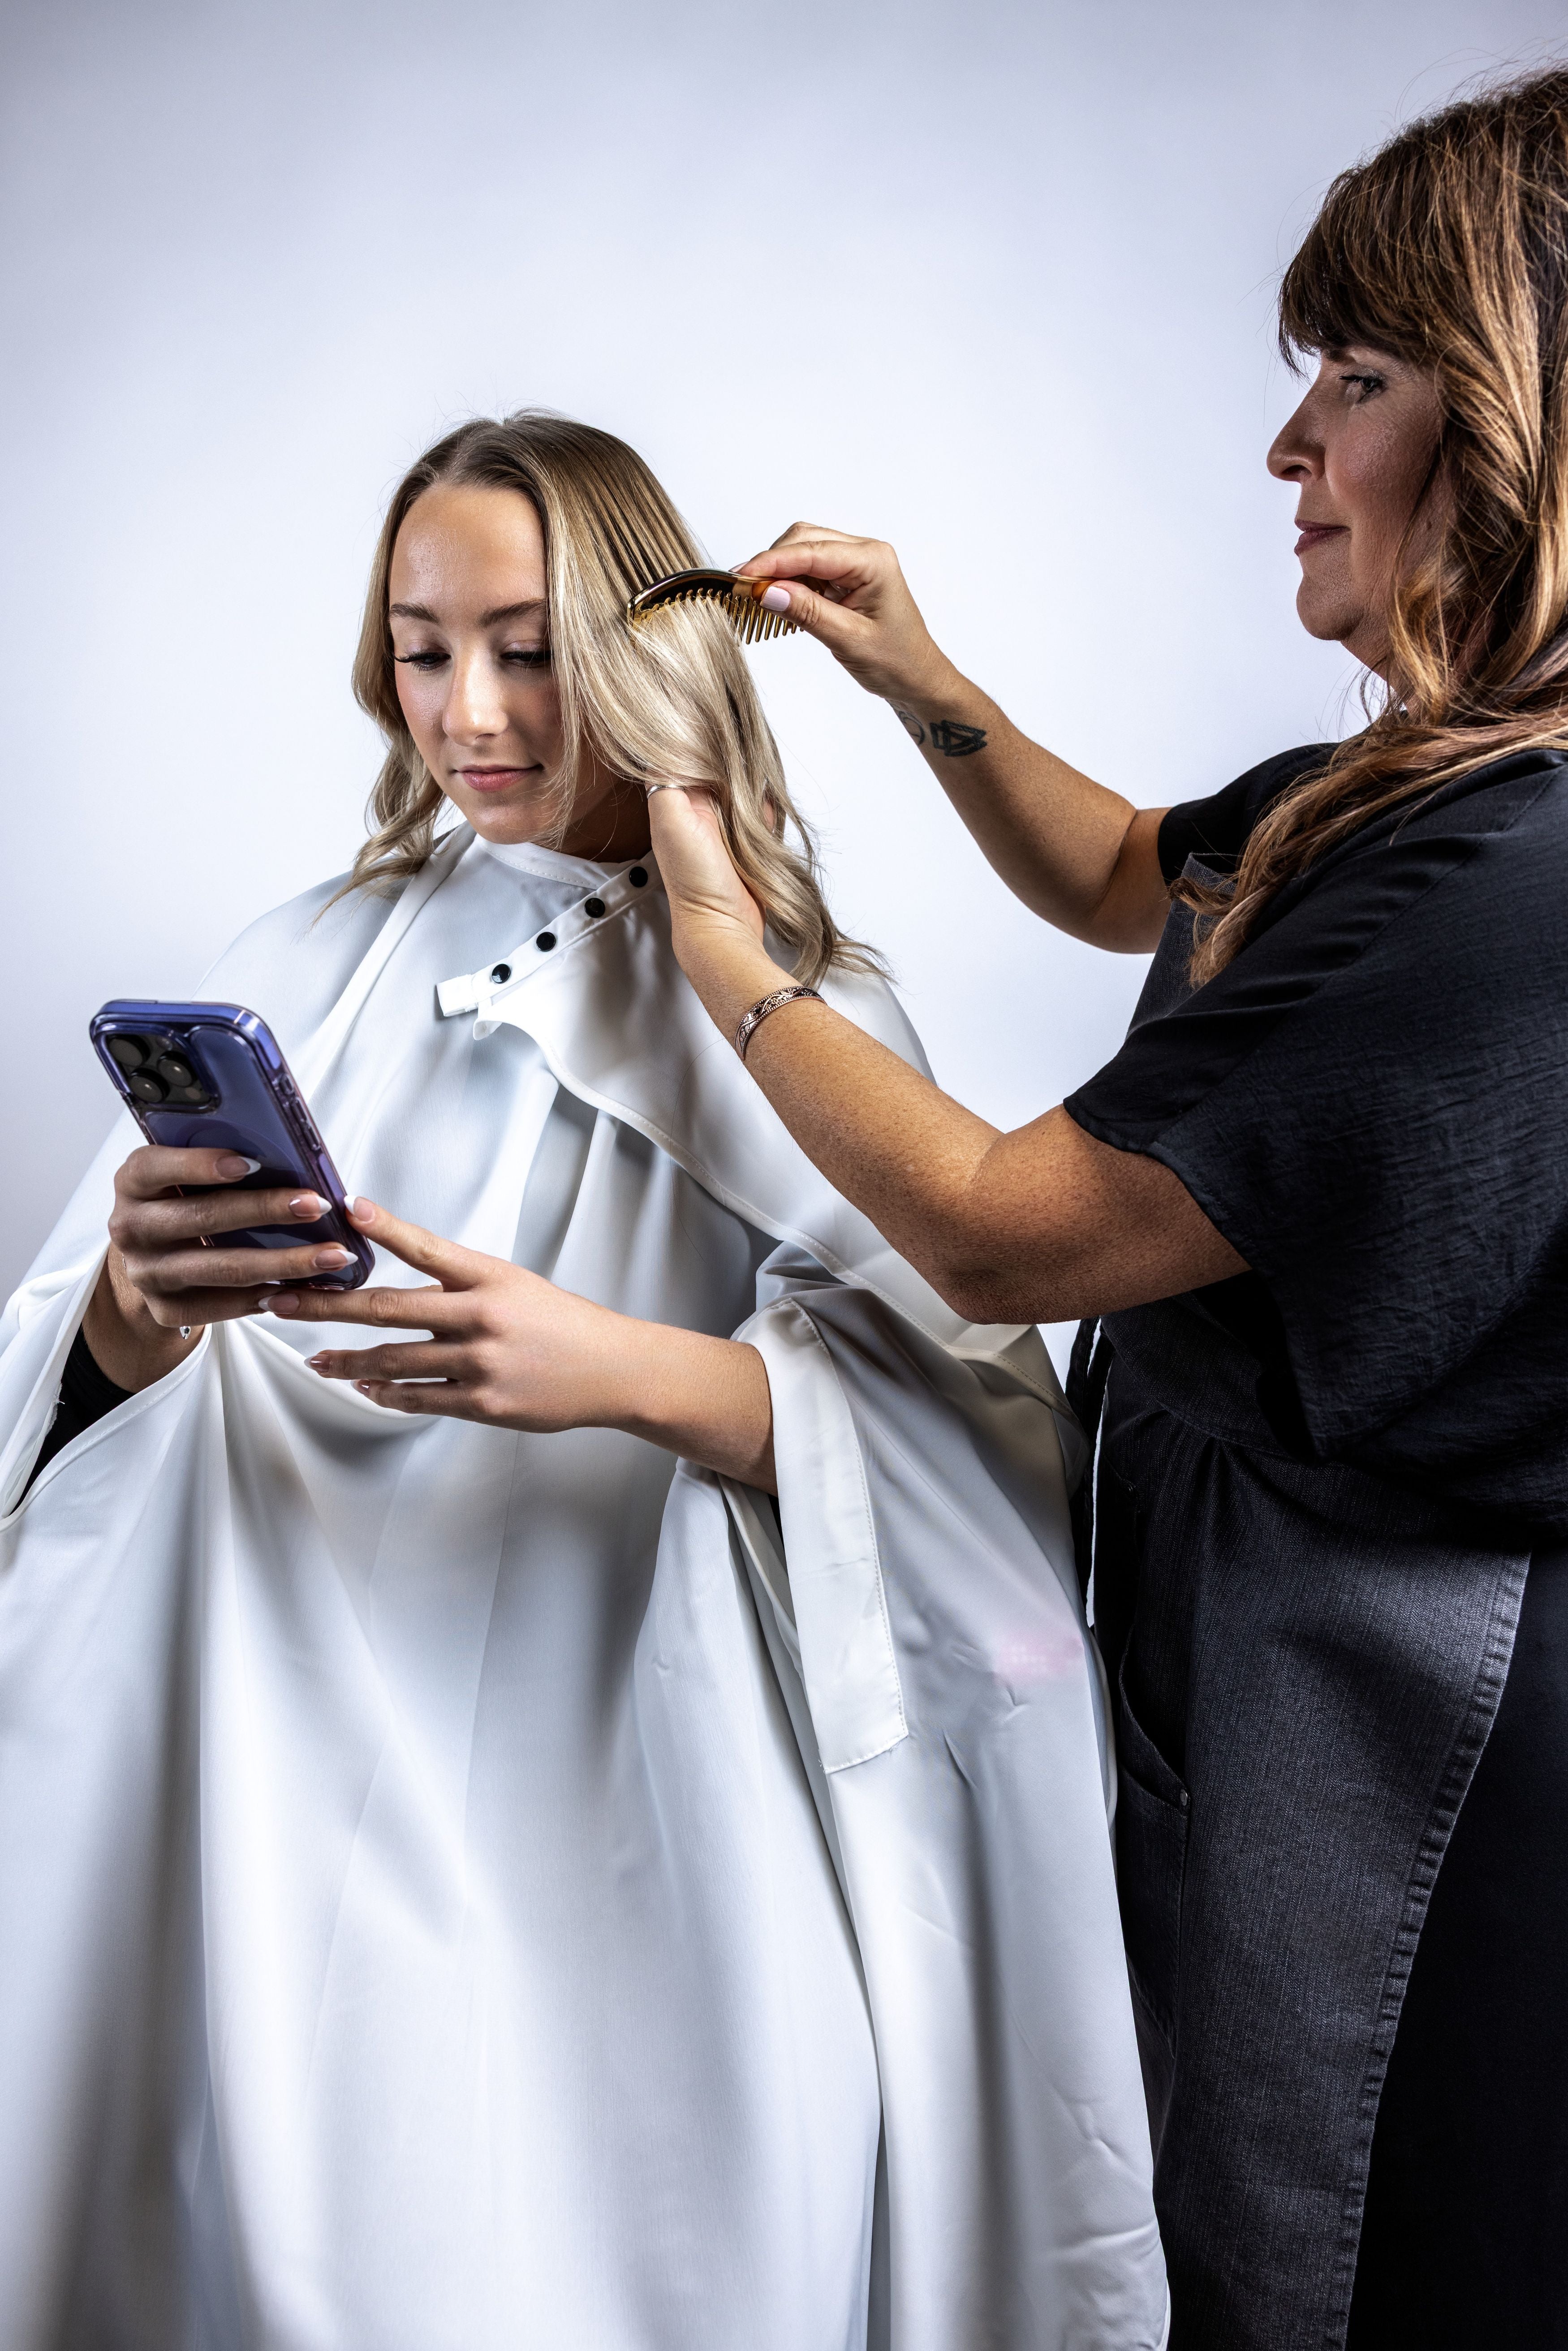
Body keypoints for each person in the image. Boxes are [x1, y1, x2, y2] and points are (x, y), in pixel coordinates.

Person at [0, 415, 1168, 2348]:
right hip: (263, 1822)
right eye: (420, 643)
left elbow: (994, 1487)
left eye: (527, 645)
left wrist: (629, 1372)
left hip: (635, 1850)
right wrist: (132, 1312)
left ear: (639, 642)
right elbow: (62, 1413)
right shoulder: (304, 961)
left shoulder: (798, 1010)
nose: (467, 709)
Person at [644, 66, 1568, 2351]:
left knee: (1303, 2235)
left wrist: (715, 951)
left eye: (1353, 383)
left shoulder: (1509, 876)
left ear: (1519, 420)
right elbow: (1124, 863)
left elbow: (993, 1227)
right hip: (1237, 1603)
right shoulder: (1401, 782)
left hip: (1380, 1673)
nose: (1288, 451)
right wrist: (915, 675)